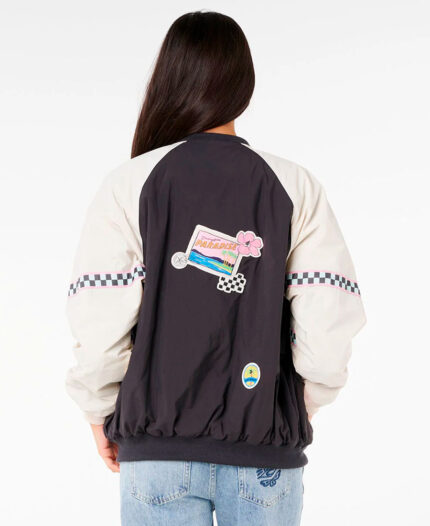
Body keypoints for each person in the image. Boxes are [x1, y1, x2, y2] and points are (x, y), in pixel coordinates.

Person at [65, 10, 366, 526]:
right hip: (264, 453)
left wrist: (99, 410)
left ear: (168, 77)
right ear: (244, 84)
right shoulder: (293, 184)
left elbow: (98, 327)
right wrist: (296, 407)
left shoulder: (129, 184)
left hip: (157, 456)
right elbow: (328, 322)